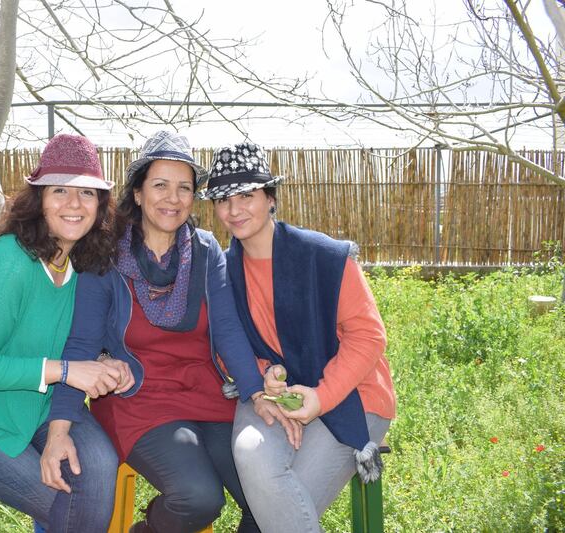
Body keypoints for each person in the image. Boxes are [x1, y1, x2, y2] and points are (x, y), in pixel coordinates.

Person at [45, 131, 265, 533]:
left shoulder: (205, 250)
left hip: (206, 394)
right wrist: (59, 428)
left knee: (266, 498)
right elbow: (80, 344)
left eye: (184, 188)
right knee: (199, 498)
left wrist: (257, 393)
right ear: (140, 194)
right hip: (137, 400)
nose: (173, 198)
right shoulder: (106, 255)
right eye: (160, 185)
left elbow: (229, 329)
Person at [0, 134, 133, 533]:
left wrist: (101, 363)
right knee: (67, 502)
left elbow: (70, 342)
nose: (74, 204)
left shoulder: (79, 266)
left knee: (101, 466)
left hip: (37, 405)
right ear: (38, 199)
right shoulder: (9, 263)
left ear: (100, 206)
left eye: (87, 193)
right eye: (60, 191)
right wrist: (68, 371)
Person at [201, 142, 397, 533]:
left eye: (246, 195)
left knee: (269, 518)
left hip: (353, 395)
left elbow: (368, 336)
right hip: (275, 393)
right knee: (250, 452)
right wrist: (263, 375)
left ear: (270, 198)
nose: (234, 210)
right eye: (223, 199)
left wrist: (321, 397)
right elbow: (227, 344)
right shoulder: (223, 269)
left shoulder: (322, 257)